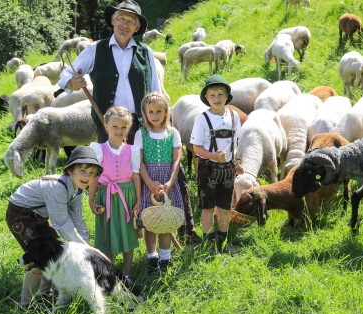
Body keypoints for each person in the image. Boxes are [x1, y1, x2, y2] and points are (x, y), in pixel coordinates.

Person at [58, 0, 202, 244]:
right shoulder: (96, 49)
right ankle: (117, 235)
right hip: (109, 127)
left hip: (142, 125)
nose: (124, 24)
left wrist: (163, 123)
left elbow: (156, 91)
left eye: (130, 21)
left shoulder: (145, 52)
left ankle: (184, 227)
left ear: (136, 27)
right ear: (113, 21)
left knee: (161, 171)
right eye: (121, 19)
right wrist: (72, 83)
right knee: (111, 177)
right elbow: (66, 73)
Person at [6, 146, 102, 308]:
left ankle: (45, 294)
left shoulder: (77, 190)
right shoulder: (57, 188)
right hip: (20, 214)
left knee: (55, 252)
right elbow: (62, 224)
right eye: (83, 170)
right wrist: (86, 249)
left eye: (92, 173)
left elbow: (77, 220)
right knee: (39, 257)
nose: (87, 176)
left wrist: (86, 249)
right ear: (70, 170)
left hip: (39, 216)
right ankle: (25, 305)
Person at [88, 106, 141, 290]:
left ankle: (127, 275)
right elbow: (95, 177)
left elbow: (135, 176)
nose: (119, 131)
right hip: (106, 196)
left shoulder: (132, 150)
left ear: (129, 128)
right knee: (107, 237)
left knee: (128, 235)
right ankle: (108, 275)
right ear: (106, 126)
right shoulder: (98, 149)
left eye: (123, 127)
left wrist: (139, 200)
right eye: (115, 126)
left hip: (127, 195)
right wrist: (91, 199)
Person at [190, 75, 244, 254]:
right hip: (208, 168)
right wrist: (213, 155)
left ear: (227, 96)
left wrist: (236, 162)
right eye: (212, 95)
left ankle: (223, 240)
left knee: (225, 207)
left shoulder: (234, 117)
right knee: (207, 208)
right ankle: (208, 243)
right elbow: (196, 147)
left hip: (228, 169)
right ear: (206, 97)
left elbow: (236, 143)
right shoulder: (202, 119)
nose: (217, 98)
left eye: (221, 94)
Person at [134, 92, 183, 273]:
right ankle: (152, 257)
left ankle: (165, 258)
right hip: (149, 181)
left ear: (166, 112)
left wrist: (171, 181)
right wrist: (148, 183)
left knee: (166, 222)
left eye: (159, 111)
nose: (155, 115)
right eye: (151, 112)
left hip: (167, 180)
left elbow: (177, 159)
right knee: (150, 221)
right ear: (145, 113)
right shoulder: (141, 134)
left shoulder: (173, 133)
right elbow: (138, 162)